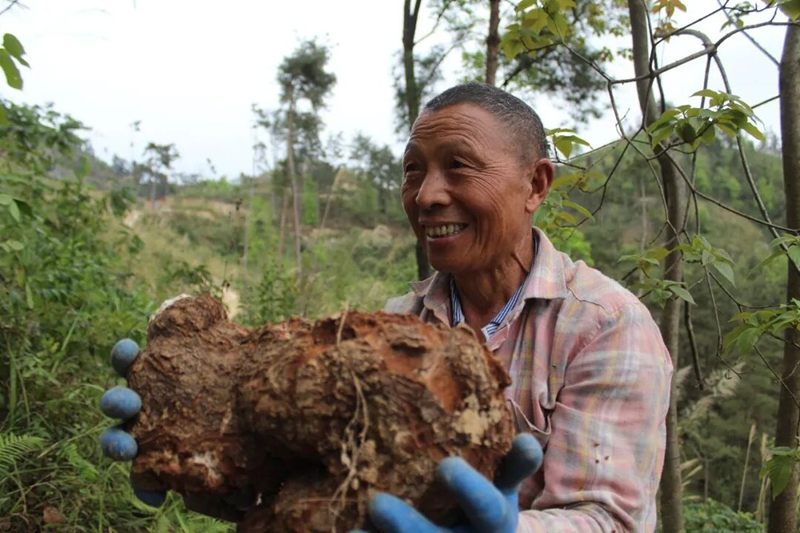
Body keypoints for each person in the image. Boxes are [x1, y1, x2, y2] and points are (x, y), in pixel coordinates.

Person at [99, 83, 673, 532]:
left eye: (460, 165)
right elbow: (320, 480)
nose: (426, 195)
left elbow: (608, 521)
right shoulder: (399, 325)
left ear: (535, 185)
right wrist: (200, 458)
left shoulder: (603, 325)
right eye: (413, 169)